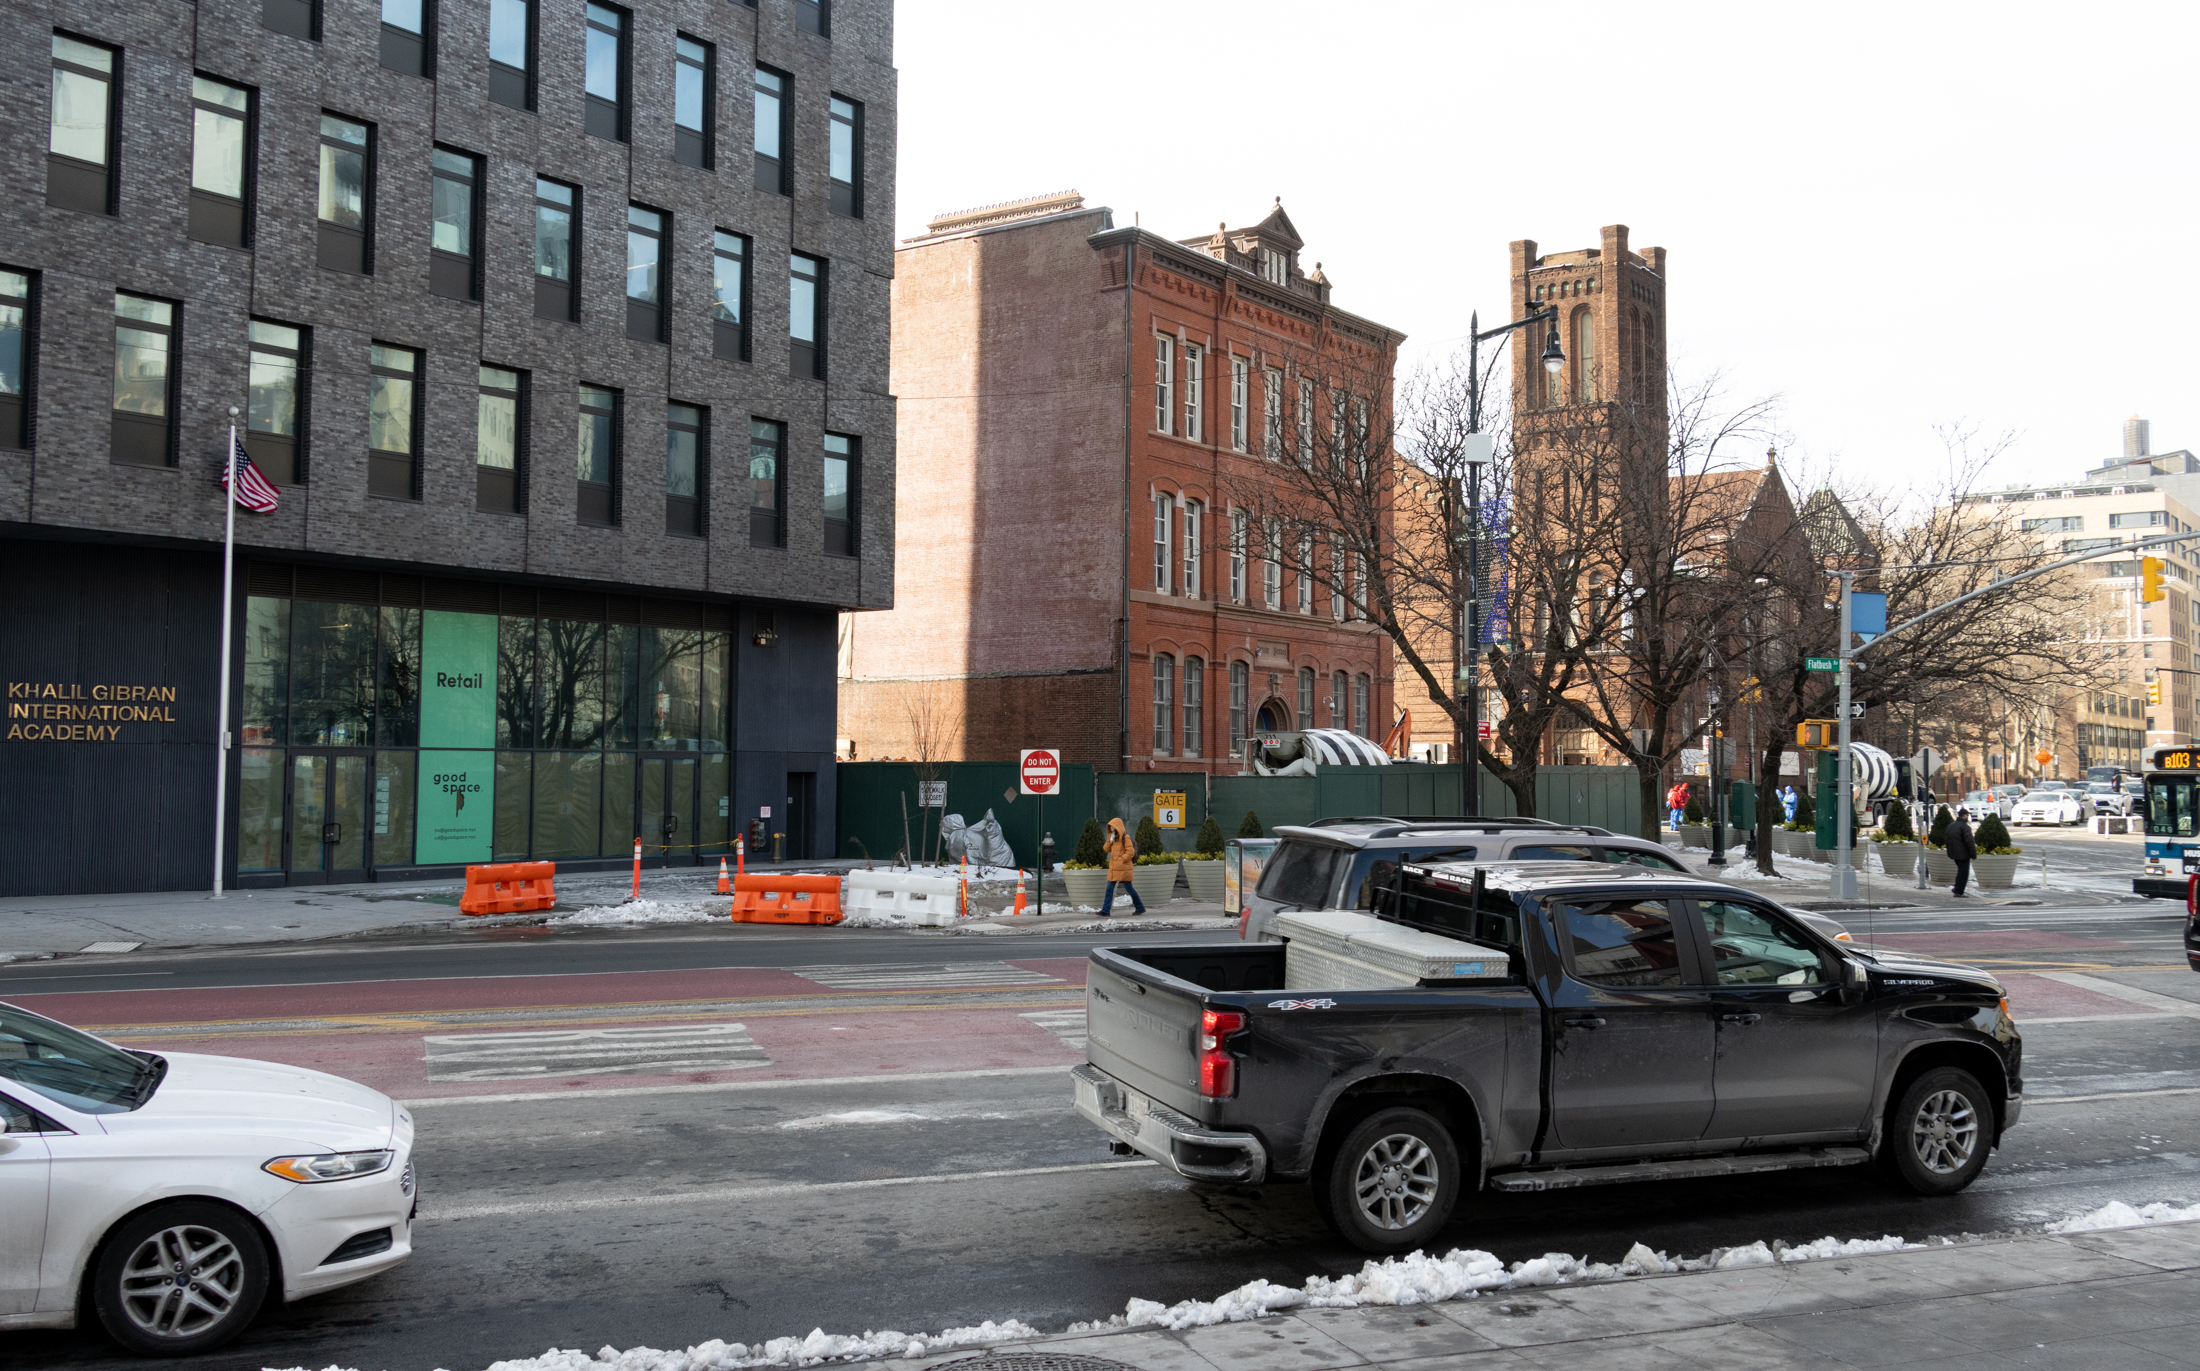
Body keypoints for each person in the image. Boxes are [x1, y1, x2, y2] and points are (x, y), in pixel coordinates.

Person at [1099, 816, 1145, 917]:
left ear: (1118, 827)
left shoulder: (1125, 837)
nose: (1111, 829)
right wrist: (1109, 841)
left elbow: (1130, 852)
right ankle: (1105, 910)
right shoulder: (1113, 838)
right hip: (1114, 869)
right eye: (1110, 827)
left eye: (1113, 827)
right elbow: (1106, 849)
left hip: (1123, 868)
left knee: (1129, 889)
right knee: (1109, 889)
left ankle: (1140, 907)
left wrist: (1121, 860)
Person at [1947, 809, 1977, 897]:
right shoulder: (1965, 827)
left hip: (1954, 853)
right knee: (1963, 873)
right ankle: (1958, 891)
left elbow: (1947, 840)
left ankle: (1957, 888)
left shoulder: (1951, 826)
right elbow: (1969, 842)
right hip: (1963, 854)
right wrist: (1973, 854)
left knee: (1960, 871)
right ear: (1965, 816)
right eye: (1967, 815)